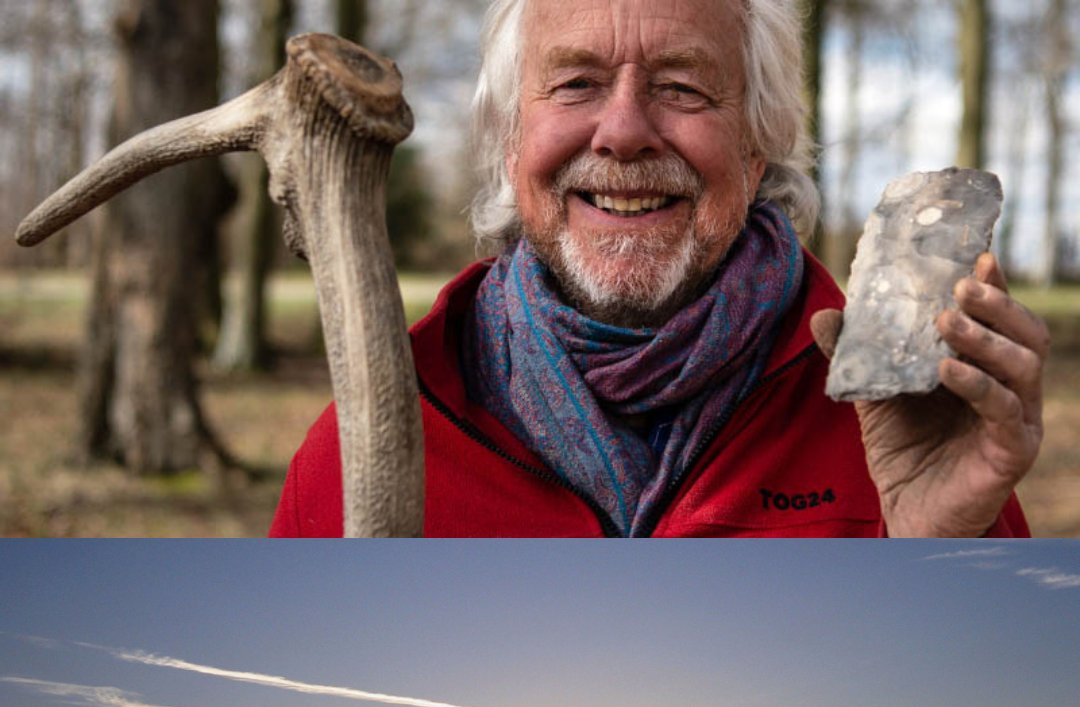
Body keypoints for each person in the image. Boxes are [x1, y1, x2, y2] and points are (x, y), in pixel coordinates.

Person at [270, 0, 1047, 538]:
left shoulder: (903, 422)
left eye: (682, 87)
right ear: (509, 142)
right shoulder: (363, 448)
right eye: (576, 83)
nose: (625, 132)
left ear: (757, 145)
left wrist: (935, 556)